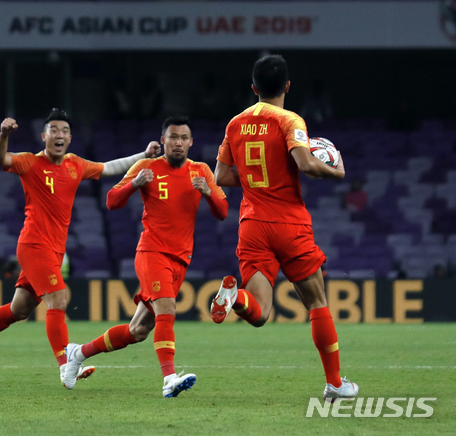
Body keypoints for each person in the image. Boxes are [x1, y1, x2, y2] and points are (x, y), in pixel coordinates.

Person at [0, 110, 161, 385]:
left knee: (19, 310)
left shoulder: (75, 165)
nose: (59, 135)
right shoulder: (30, 162)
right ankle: (66, 365)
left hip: (54, 250)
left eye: (64, 130)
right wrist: (4, 134)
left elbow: (108, 167)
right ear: (44, 136)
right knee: (59, 299)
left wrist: (143, 155)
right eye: (54, 130)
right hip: (33, 245)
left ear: (70, 137)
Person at [210, 54, 358, 402]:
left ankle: (235, 298)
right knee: (317, 303)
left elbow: (220, 176)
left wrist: (254, 183)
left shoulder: (236, 122)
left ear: (253, 88)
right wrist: (337, 173)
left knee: (259, 312)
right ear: (288, 86)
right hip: (289, 223)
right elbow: (306, 164)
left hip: (252, 225)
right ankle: (335, 383)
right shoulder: (291, 120)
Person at [63, 115, 228, 397]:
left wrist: (208, 194)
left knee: (138, 330)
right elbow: (111, 201)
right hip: (152, 252)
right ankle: (169, 379)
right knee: (168, 311)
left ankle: (78, 353)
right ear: (163, 140)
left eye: (183, 138)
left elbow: (223, 212)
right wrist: (135, 183)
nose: (178, 142)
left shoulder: (200, 171)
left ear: (191, 142)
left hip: (181, 259)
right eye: (173, 137)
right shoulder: (146, 167)